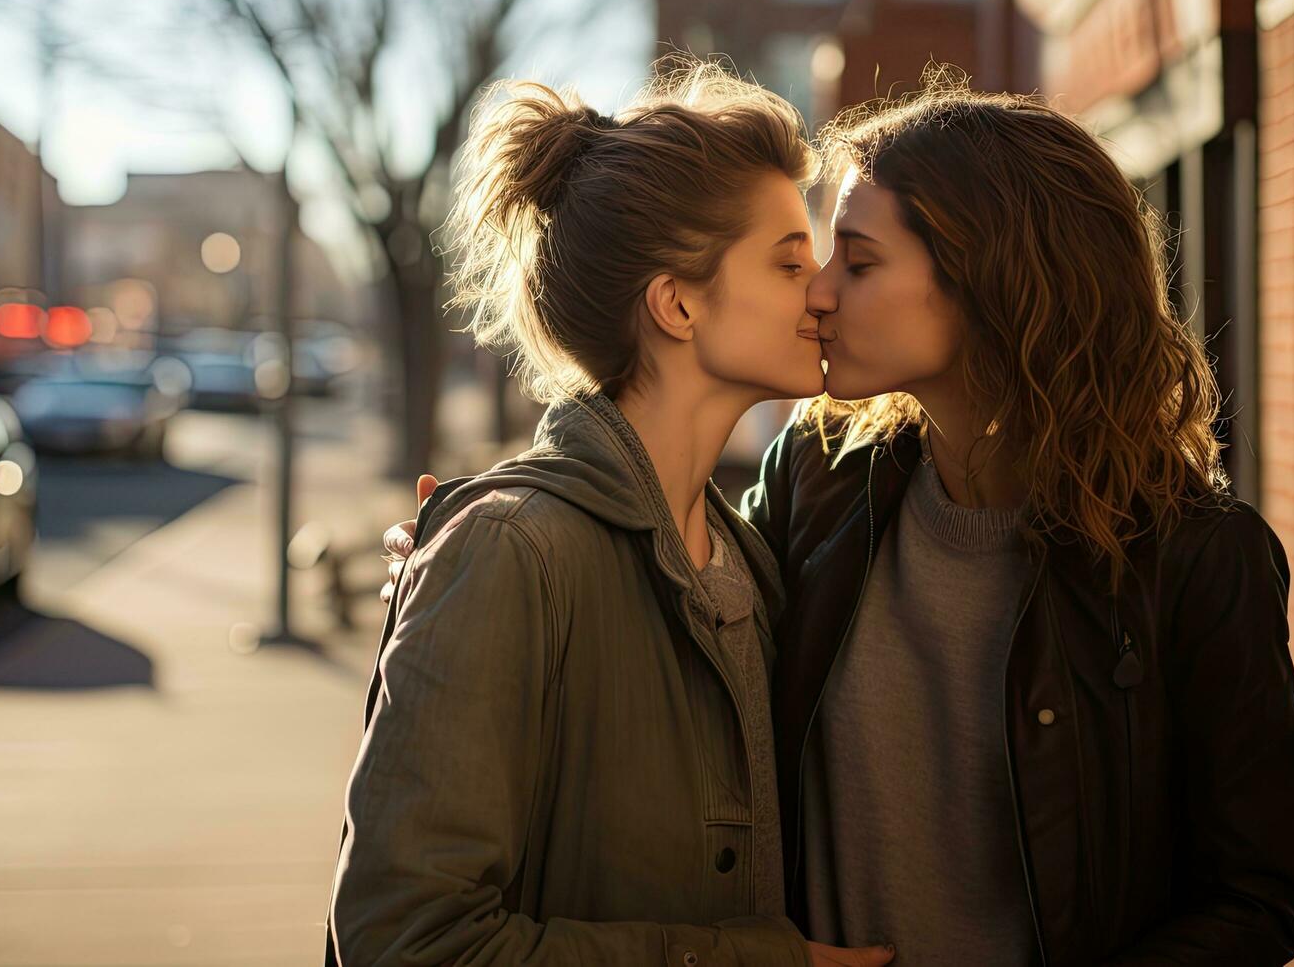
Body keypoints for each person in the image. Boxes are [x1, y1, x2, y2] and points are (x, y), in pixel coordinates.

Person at [385, 74, 1294, 966]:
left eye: (855, 262)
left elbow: (1251, 900)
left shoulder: (1197, 559)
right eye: (803, 261)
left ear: (992, 280)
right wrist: (458, 575)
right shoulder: (823, 481)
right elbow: (647, 584)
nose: (820, 292)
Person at [330, 58, 895, 967]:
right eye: (790, 260)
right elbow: (403, 941)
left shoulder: (747, 560)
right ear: (675, 302)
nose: (821, 290)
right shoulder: (511, 552)